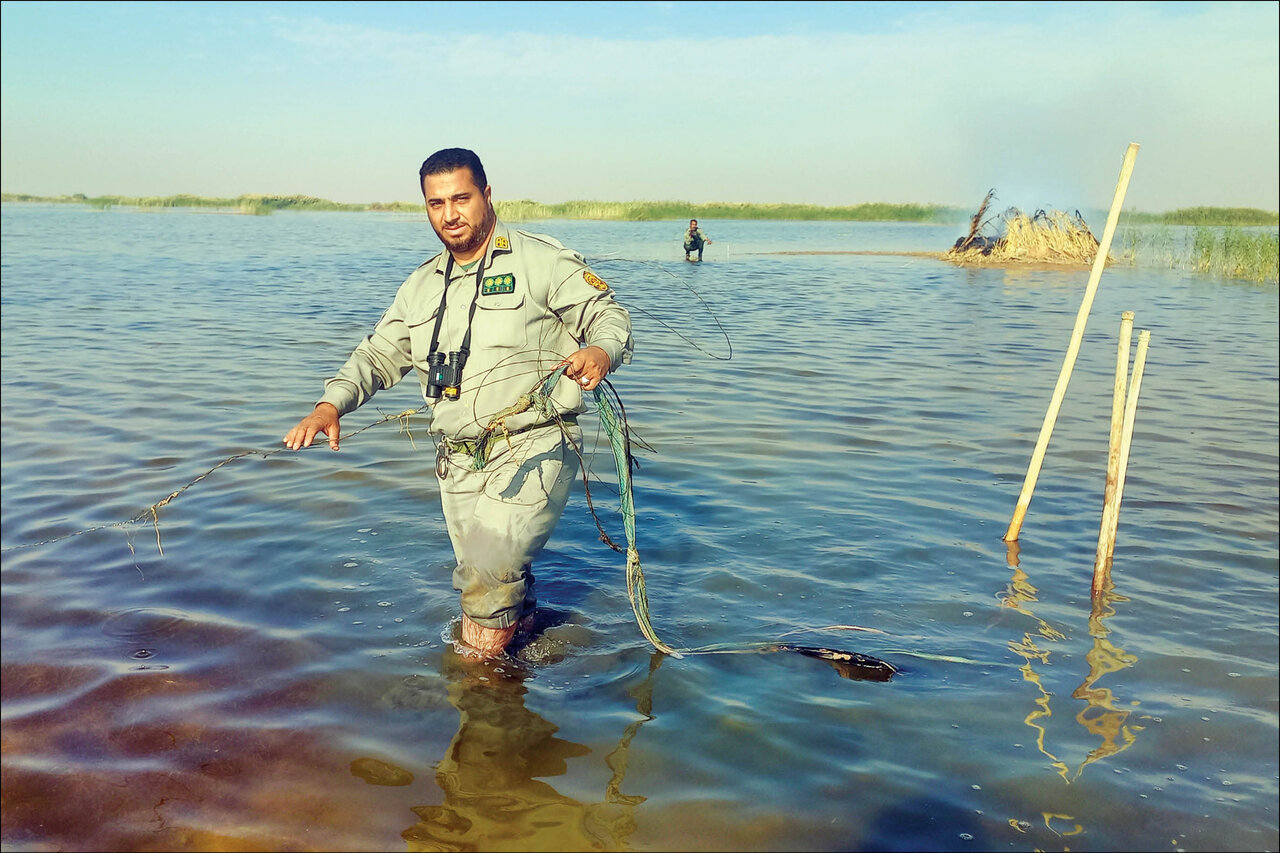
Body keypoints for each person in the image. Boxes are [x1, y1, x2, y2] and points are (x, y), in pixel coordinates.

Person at [283, 148, 634, 659]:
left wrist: (601, 350)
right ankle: (525, 669)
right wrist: (329, 406)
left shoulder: (542, 260)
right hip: (458, 459)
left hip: (534, 445)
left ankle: (473, 690)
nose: (449, 214)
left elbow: (609, 316)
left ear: (487, 195)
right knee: (491, 576)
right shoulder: (420, 285)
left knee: (488, 574)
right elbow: (380, 353)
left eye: (461, 199)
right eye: (435, 203)